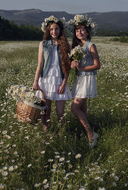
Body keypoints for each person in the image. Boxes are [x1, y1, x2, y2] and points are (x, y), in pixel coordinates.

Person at [33, 15, 72, 131]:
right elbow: (40, 64)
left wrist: (64, 83)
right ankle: (46, 133)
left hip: (59, 79)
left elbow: (67, 66)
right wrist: (35, 82)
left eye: (56, 29)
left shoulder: (65, 45)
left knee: (60, 112)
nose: (54, 31)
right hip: (46, 79)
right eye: (51, 29)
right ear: (48, 31)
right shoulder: (43, 44)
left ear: (60, 30)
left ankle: (62, 134)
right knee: (46, 111)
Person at [68, 14, 100, 147]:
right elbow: (71, 65)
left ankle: (90, 133)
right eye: (77, 30)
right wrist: (73, 64)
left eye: (82, 30)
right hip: (79, 79)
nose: (79, 32)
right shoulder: (76, 46)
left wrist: (82, 68)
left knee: (74, 108)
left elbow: (97, 65)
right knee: (82, 109)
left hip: (87, 79)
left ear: (87, 32)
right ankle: (86, 134)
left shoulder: (90, 45)